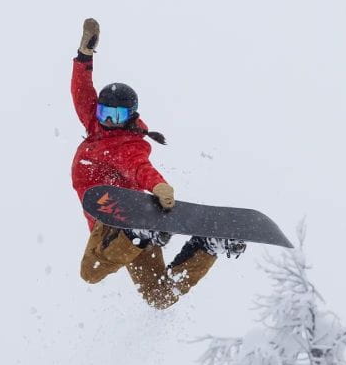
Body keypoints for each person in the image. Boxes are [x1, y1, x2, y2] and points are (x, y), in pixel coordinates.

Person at [71, 18, 245, 309]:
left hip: (113, 220)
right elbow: (81, 91)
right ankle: (207, 246)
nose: (109, 121)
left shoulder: (126, 143)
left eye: (117, 116)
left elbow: (139, 167)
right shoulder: (95, 127)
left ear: (130, 116)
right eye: (104, 113)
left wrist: (159, 186)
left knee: (91, 271)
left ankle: (136, 234)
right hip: (137, 227)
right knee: (159, 296)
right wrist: (84, 54)